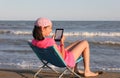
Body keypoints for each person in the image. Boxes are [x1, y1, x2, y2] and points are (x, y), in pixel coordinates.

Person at [32, 17, 99, 77]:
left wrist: (52, 40)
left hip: (53, 59)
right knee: (85, 43)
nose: (51, 30)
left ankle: (75, 69)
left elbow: (50, 48)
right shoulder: (50, 42)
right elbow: (62, 57)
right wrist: (62, 42)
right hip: (65, 59)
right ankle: (87, 71)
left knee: (78, 42)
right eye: (50, 28)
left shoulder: (34, 41)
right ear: (43, 28)